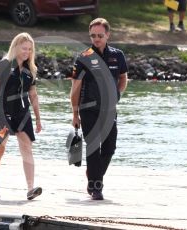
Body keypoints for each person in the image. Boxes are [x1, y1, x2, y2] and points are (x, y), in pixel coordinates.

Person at [70, 18, 128, 200]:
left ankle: (94, 173)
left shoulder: (117, 56)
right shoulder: (84, 57)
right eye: (93, 36)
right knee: (93, 147)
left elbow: (123, 78)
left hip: (110, 109)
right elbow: (75, 87)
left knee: (110, 147)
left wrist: (117, 95)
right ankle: (95, 187)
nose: (96, 39)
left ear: (108, 35)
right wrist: (75, 113)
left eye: (100, 36)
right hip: (88, 109)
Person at [0, 32, 42, 200]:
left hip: (22, 113)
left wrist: (38, 118)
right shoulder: (4, 64)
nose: (27, 52)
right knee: (0, 148)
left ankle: (31, 188)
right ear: (16, 46)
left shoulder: (30, 69)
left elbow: (33, 95)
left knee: (27, 148)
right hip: (3, 112)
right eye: (24, 48)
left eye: (30, 49)